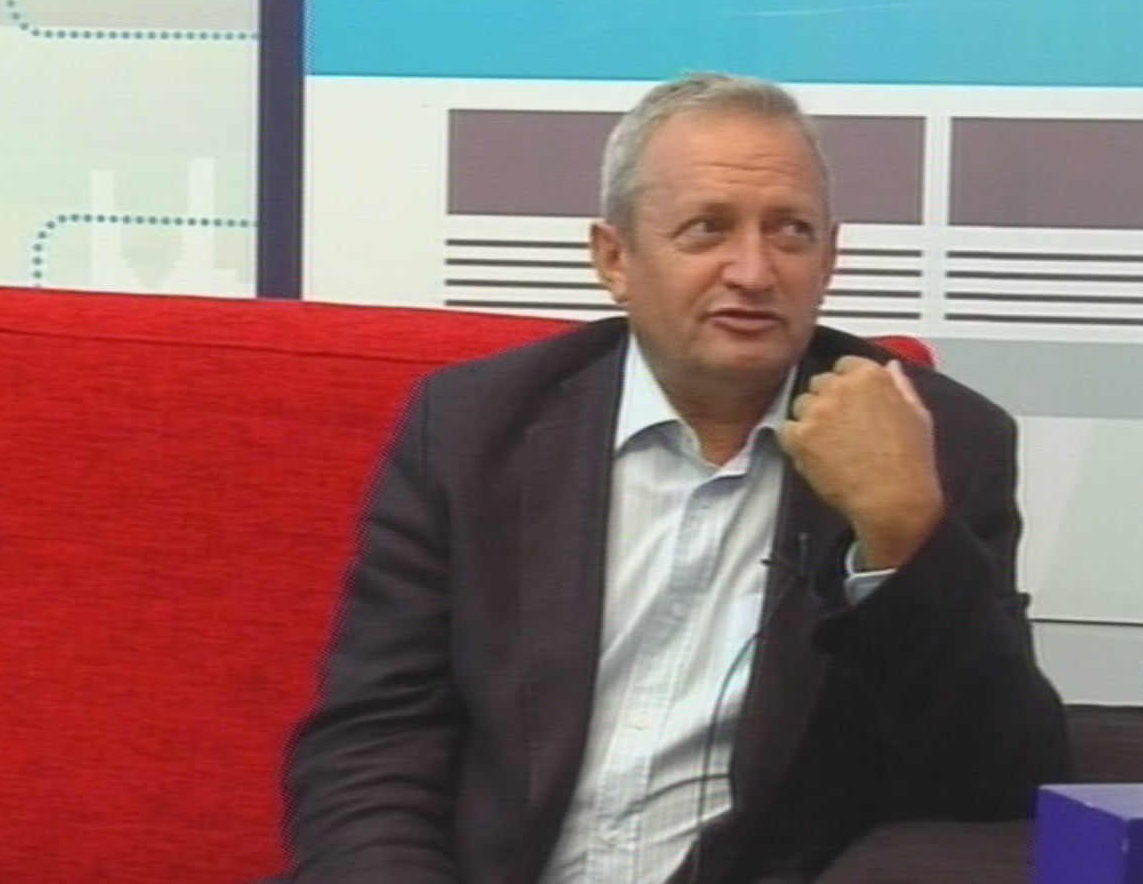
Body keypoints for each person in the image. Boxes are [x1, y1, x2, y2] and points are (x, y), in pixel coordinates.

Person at [280, 72, 1070, 884]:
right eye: (707, 229)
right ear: (614, 258)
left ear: (830, 259)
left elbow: (996, 782)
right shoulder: (476, 427)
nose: (754, 271)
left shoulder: (939, 442)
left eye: (791, 232)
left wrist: (903, 533)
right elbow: (373, 740)